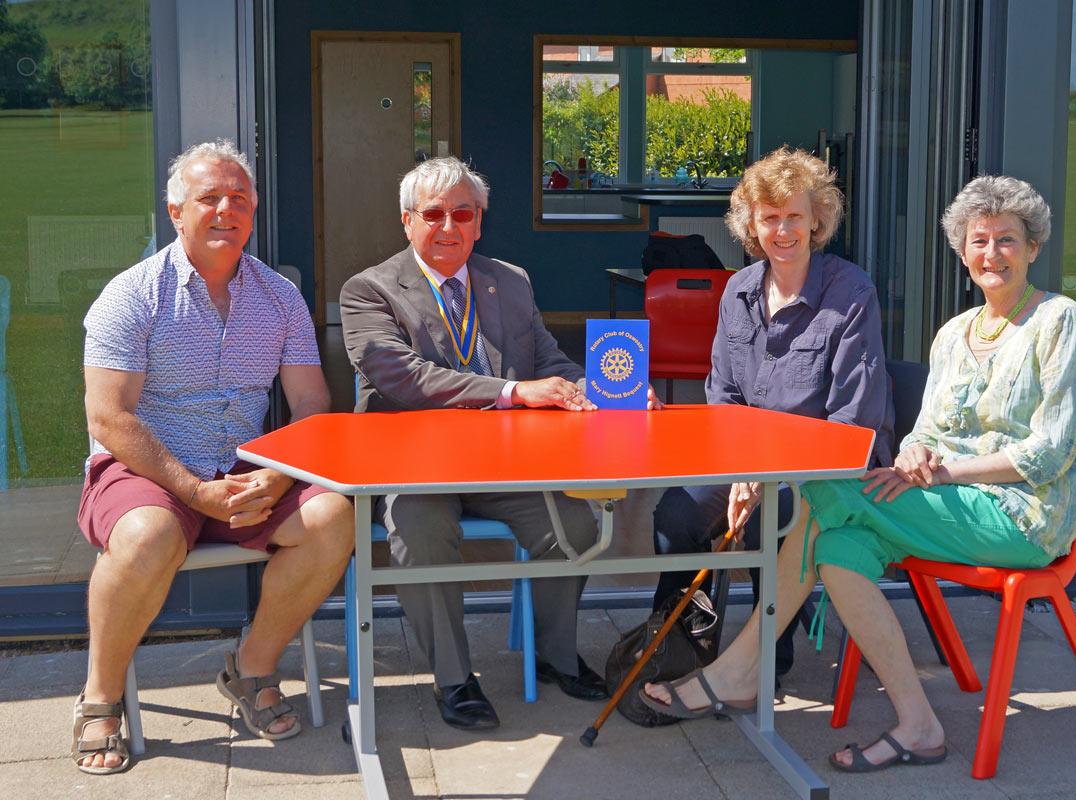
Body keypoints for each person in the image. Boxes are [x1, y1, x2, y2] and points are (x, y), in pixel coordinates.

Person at [641, 174, 1076, 774]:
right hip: (950, 503)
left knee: (827, 492)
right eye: (979, 241)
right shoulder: (954, 335)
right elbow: (925, 432)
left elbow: (1051, 453)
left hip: (1024, 516)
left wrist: (938, 472)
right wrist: (913, 455)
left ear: (1033, 247)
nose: (992, 255)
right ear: (962, 253)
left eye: (1007, 240)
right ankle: (919, 724)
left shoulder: (1058, 320)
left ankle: (734, 673)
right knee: (837, 546)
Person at [340, 156, 658, 731]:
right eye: (432, 214)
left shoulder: (509, 280)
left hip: (507, 467)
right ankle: (455, 678)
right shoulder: (368, 290)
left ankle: (553, 653)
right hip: (418, 470)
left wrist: (611, 389)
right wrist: (513, 390)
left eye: (462, 213)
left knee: (579, 526)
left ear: (479, 222)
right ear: (407, 220)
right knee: (420, 535)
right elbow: (403, 377)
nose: (448, 226)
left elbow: (550, 363)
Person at [75, 140, 355, 774]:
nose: (226, 210)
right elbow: (109, 417)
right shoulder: (133, 295)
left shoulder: (279, 296)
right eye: (209, 199)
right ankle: (100, 696)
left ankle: (250, 667)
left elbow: (312, 405)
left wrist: (280, 475)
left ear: (253, 212)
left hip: (243, 470)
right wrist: (190, 489)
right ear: (176, 212)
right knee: (147, 535)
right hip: (149, 469)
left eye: (240, 199)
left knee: (334, 515)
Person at [650, 146, 893, 681]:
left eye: (794, 217)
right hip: (748, 463)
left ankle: (765, 655)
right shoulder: (737, 291)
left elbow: (851, 421)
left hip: (825, 471)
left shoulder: (851, 294)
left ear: (817, 220)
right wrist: (743, 471)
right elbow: (723, 397)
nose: (782, 231)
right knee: (675, 515)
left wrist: (767, 476)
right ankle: (675, 641)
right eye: (769, 219)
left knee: (770, 514)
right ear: (751, 225)